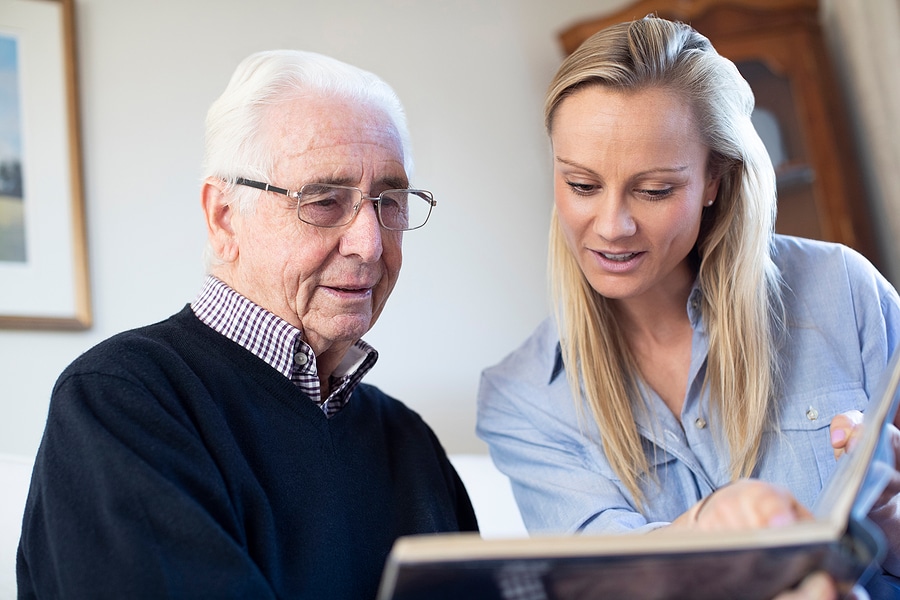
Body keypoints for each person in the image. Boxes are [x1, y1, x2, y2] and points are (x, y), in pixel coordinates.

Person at [17, 49, 477, 599]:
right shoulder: (121, 400)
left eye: (390, 201)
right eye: (325, 200)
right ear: (224, 217)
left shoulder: (409, 441)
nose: (370, 244)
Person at [476, 16, 900, 599]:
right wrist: (711, 526)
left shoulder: (843, 292)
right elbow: (604, 585)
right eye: (581, 185)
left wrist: (888, 522)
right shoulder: (522, 400)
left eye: (654, 191)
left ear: (714, 180)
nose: (612, 226)